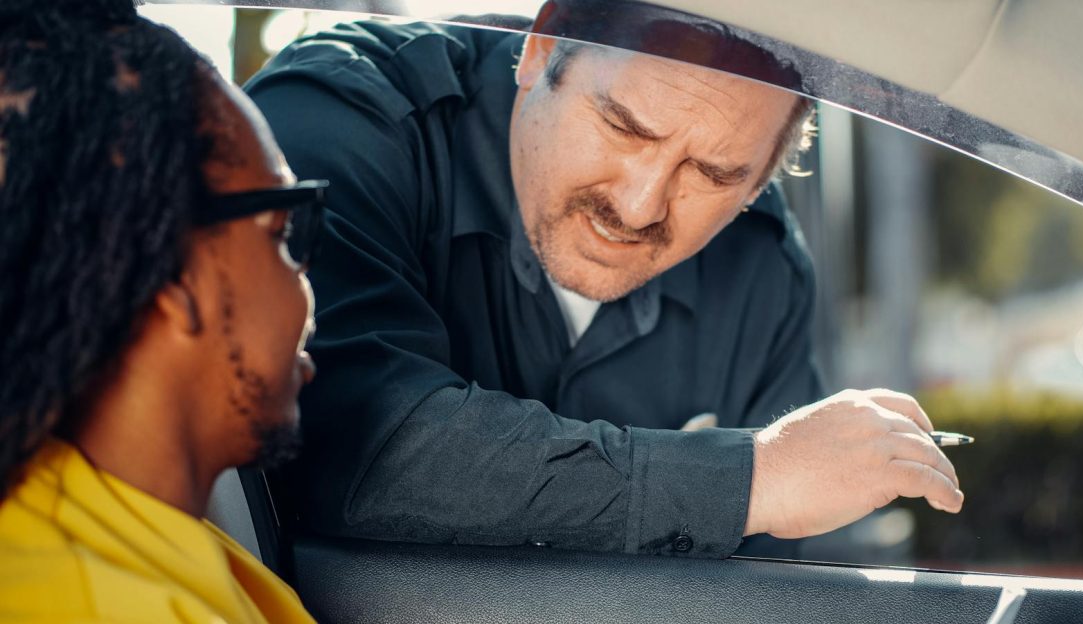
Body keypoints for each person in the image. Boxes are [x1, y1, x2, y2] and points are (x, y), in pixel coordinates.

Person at [246, 0, 964, 559]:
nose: (640, 203)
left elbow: (767, 590)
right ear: (542, 47)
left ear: (763, 177)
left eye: (714, 174)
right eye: (624, 126)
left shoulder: (762, 273)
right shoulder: (340, 122)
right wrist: (747, 478)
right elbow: (357, 447)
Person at [0, 1, 323, 621]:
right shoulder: (105, 605)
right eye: (282, 235)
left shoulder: (126, 523)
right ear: (173, 275)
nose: (307, 288)